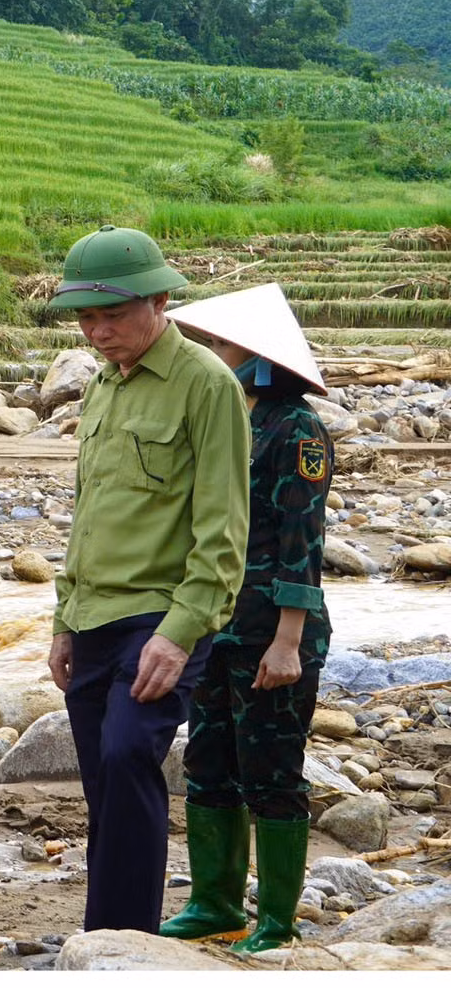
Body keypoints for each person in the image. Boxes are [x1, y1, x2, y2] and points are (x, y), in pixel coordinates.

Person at [45, 225, 251, 935]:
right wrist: (63, 620)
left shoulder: (206, 384)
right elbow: (88, 513)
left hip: (160, 616)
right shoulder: (103, 385)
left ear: (159, 302)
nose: (97, 332)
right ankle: (105, 935)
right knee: (103, 780)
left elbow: (224, 527)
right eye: (86, 318)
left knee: (129, 752)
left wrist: (182, 632)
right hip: (92, 616)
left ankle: (126, 939)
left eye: (113, 315)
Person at [159, 283, 333, 954]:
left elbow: (302, 542)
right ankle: (215, 904)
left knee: (272, 772)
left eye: (221, 344)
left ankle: (277, 922)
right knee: (208, 764)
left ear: (259, 354)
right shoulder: (227, 414)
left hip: (271, 630)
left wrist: (288, 640)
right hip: (214, 623)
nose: (211, 353)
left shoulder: (296, 429)